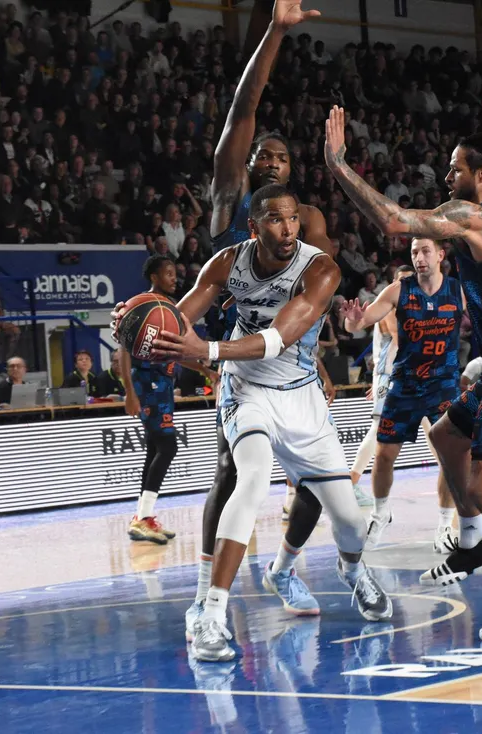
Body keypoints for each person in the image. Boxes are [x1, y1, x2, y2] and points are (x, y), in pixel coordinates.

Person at [325, 100, 482, 641]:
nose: (446, 175)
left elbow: (395, 220)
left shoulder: (474, 217)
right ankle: (472, 542)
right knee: (445, 433)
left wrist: (340, 167)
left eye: (457, 167)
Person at [137, 184, 392, 662]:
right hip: (246, 389)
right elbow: (179, 316)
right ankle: (212, 614)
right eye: (276, 219)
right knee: (250, 481)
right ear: (254, 228)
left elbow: (282, 335)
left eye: (294, 218)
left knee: (351, 524)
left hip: (302, 398)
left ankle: (353, 570)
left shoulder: (321, 269)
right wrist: (142, 320)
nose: (289, 228)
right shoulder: (228, 262)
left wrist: (207, 350)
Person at [192, 0, 344, 635]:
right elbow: (244, 109)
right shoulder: (230, 193)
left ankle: (285, 564)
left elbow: (316, 298)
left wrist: (322, 359)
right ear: (248, 164)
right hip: (237, 349)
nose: (273, 157)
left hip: (297, 353)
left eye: (283, 156)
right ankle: (206, 594)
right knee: (234, 474)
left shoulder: (305, 225)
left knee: (318, 473)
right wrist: (277, 32)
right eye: (265, 154)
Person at [340, 242, 462, 553]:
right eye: (414, 253)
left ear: (440, 255)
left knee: (449, 459)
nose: (419, 258)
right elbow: (358, 323)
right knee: (382, 456)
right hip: (405, 384)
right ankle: (381, 515)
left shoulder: (458, 290)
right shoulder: (397, 291)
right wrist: (352, 319)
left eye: (425, 252)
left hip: (443, 386)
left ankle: (445, 526)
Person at [120, 256, 218, 545]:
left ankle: (144, 518)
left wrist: (204, 369)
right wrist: (129, 392)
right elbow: (125, 351)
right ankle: (141, 518)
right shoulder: (140, 306)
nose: (175, 277)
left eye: (175, 272)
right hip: (146, 383)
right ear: (153, 275)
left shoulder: (170, 310)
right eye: (168, 273)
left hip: (163, 383)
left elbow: (176, 352)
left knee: (154, 449)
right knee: (167, 445)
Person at [348, 265, 409, 494]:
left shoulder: (405, 306)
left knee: (432, 425)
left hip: (401, 375)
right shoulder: (392, 307)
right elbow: (402, 342)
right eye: (401, 280)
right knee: (378, 430)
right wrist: (382, 383)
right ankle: (351, 482)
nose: (405, 286)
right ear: (393, 282)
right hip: (391, 375)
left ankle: (453, 477)